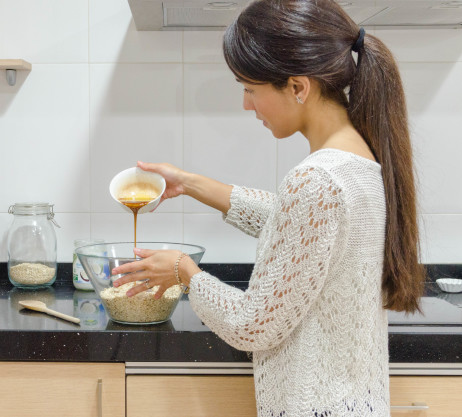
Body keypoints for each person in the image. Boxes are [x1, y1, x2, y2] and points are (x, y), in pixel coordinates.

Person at [111, 0, 425, 415]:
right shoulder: (359, 160)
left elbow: (252, 325)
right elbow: (300, 227)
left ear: (298, 87)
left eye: (249, 89)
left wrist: (183, 271)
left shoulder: (315, 180)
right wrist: (189, 184)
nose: (246, 105)